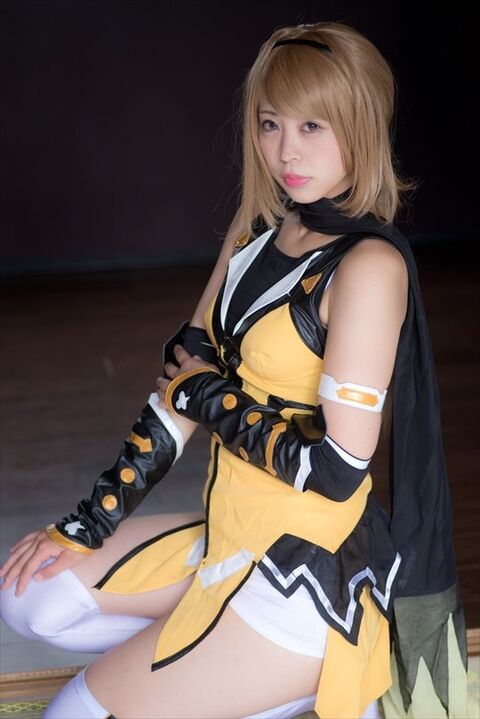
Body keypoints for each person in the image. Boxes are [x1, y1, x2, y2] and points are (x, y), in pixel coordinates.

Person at [0, 21, 471, 719]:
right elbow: (179, 384)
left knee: (72, 713)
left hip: (308, 573)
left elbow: (338, 469)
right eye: (271, 124)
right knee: (31, 594)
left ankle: (294, 675)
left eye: (312, 126)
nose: (286, 151)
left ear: (361, 125)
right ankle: (220, 672)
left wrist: (209, 397)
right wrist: (87, 522)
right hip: (230, 533)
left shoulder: (370, 267)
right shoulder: (254, 234)